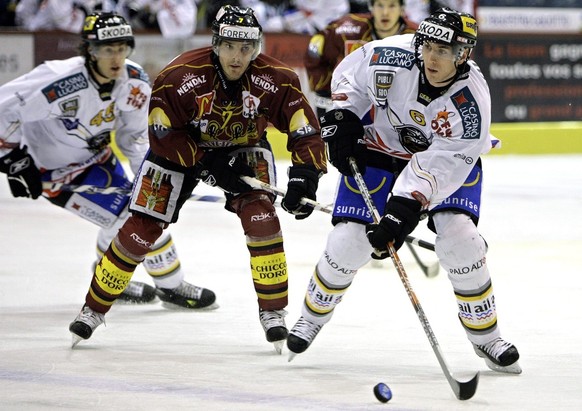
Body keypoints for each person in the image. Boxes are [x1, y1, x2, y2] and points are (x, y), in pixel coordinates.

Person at [67, 5, 327, 351]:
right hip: (180, 151)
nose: (238, 57)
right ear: (216, 44)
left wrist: (305, 176)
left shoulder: (277, 79)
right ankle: (93, 309)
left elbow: (305, 129)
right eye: (231, 46)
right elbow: (162, 133)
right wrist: (207, 165)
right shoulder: (179, 76)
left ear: (257, 48)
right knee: (140, 230)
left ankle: (274, 313)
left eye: (247, 48)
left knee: (263, 218)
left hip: (244, 147)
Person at [286, 7, 522, 374]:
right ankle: (310, 318)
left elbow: (443, 164)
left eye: (443, 51)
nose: (431, 56)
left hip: (444, 163)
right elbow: (351, 74)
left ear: (463, 55)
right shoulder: (392, 55)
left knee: (461, 240)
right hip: (379, 149)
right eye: (428, 45)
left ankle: (486, 337)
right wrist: (346, 114)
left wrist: (402, 208)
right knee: (348, 242)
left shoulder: (471, 104)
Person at [0, 12, 217, 314]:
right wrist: (12, 159)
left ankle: (108, 273)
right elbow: (4, 108)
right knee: (134, 216)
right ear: (90, 50)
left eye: (121, 49)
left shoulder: (134, 81)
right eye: (107, 50)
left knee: (139, 209)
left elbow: (135, 138)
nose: (116, 58)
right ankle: (171, 286)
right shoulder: (57, 79)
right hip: (55, 174)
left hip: (101, 161)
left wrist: (150, 177)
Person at [304, 0, 417, 118]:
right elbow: (316, 49)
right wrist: (324, 91)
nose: (385, 12)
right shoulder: (346, 29)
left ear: (402, 9)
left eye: (392, 6)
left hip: (396, 105)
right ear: (371, 7)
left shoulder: (415, 36)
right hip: (352, 101)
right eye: (380, 5)